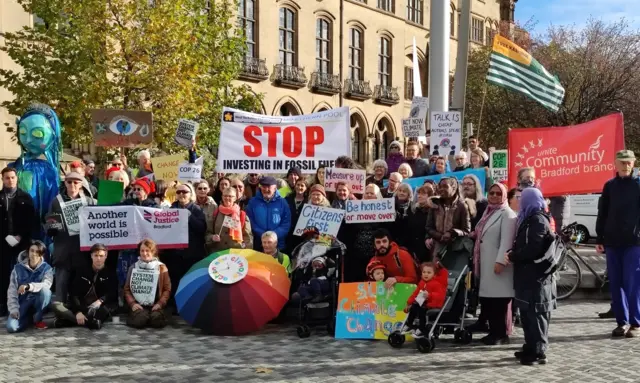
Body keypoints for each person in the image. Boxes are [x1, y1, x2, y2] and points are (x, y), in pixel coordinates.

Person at [595, 150, 640, 338]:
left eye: (629, 162)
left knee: (633, 283)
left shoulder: (638, 185)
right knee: (616, 283)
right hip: (613, 241)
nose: (625, 165)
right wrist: (599, 237)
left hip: (633, 242)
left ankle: (636, 323)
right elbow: (603, 212)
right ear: (615, 163)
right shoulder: (609, 186)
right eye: (622, 162)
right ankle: (621, 322)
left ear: (634, 162)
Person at [508, 187, 555, 365]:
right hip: (528, 275)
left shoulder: (537, 220)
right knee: (527, 312)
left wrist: (513, 255)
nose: (519, 201)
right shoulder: (529, 218)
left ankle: (539, 351)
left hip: (536, 276)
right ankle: (530, 346)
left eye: (522, 198)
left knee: (536, 313)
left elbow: (533, 249)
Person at [471, 183, 517, 345]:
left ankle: (500, 334)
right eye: (492, 193)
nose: (495, 196)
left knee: (499, 302)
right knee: (489, 301)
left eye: (499, 193)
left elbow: (507, 241)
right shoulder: (488, 212)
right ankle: (494, 331)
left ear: (504, 195)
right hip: (486, 262)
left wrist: (500, 262)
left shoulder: (507, 214)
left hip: (498, 265)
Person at [48, 172, 96, 304]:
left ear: (81, 184)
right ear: (65, 183)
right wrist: (51, 227)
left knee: (81, 285)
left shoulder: (90, 202)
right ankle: (60, 312)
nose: (73, 185)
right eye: (69, 182)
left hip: (83, 251)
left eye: (76, 182)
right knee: (62, 285)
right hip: (63, 250)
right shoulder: (56, 201)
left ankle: (80, 311)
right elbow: (49, 221)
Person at [51, 243, 117, 330]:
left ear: (106, 256)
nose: (98, 259)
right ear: (91, 256)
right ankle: (89, 322)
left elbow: (112, 294)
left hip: (100, 307)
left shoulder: (110, 273)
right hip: (83, 306)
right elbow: (74, 294)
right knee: (56, 305)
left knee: (110, 308)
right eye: (96, 255)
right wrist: (78, 312)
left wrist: (100, 301)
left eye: (101, 256)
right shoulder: (82, 271)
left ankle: (71, 321)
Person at [163, 183, 206, 309]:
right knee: (175, 281)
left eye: (185, 192)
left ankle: (190, 307)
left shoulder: (196, 209)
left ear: (190, 195)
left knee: (189, 282)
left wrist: (189, 217)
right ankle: (176, 307)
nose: (181, 194)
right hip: (174, 254)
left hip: (191, 254)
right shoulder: (170, 210)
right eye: (179, 192)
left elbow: (202, 228)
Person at [1, 167, 36, 317]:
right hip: (2, 242)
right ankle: (3, 304)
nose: (10, 180)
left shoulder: (25, 198)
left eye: (13, 177)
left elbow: (31, 220)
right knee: (2, 273)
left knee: (22, 273)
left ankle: (23, 303)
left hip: (21, 241)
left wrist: (20, 236)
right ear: (2, 179)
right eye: (7, 178)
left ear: (17, 178)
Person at [6, 240, 52, 332]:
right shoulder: (17, 268)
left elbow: (47, 284)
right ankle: (27, 319)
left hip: (37, 301)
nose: (34, 254)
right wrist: (14, 309)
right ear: (28, 252)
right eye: (32, 250)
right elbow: (12, 291)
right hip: (22, 303)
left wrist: (28, 286)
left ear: (41, 255)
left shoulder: (47, 268)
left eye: (37, 252)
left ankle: (37, 319)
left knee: (46, 292)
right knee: (12, 328)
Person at [124, 239, 171, 329]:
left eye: (147, 251)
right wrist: (132, 303)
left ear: (153, 252)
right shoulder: (133, 267)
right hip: (139, 305)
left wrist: (160, 303)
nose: (144, 253)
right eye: (142, 251)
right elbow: (126, 289)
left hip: (156, 304)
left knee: (156, 320)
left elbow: (167, 289)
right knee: (140, 320)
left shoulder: (161, 267)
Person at [344, 184, 385, 282]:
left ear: (377, 196)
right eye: (367, 193)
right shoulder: (355, 208)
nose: (369, 195)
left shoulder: (384, 210)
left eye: (372, 193)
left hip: (376, 253)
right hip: (357, 253)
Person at [425, 177, 471, 255]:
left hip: (456, 248)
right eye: (440, 187)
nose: (441, 189)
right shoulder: (434, 204)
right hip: (438, 247)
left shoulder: (462, 206)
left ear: (454, 188)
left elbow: (466, 230)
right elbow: (428, 227)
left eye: (445, 186)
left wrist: (452, 233)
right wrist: (439, 236)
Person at [401, 262, 447, 337]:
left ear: (434, 274)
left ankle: (422, 328)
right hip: (423, 302)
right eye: (424, 272)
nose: (426, 274)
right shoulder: (421, 283)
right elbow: (415, 294)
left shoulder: (436, 284)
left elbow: (440, 296)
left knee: (421, 309)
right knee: (414, 306)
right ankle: (410, 324)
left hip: (433, 303)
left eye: (429, 272)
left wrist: (429, 295)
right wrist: (409, 302)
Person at [246, 176, 291, 252]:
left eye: (268, 187)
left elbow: (286, 223)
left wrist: (273, 236)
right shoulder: (253, 202)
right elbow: (250, 221)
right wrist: (263, 235)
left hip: (278, 244)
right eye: (263, 186)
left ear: (275, 188)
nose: (266, 189)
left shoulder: (283, 202)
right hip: (259, 244)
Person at [207, 187, 253, 253]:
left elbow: (248, 237)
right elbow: (208, 233)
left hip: (236, 253)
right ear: (222, 197)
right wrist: (212, 238)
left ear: (235, 198)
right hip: (218, 253)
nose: (227, 198)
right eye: (225, 195)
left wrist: (246, 251)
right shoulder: (215, 214)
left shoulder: (241, 215)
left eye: (230, 196)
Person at [408, 184, 435, 262]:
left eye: (423, 194)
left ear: (429, 196)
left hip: (428, 248)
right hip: (415, 249)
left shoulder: (434, 211)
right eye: (419, 194)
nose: (419, 196)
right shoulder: (415, 210)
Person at [391, 183, 413, 249]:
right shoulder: (390, 205)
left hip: (408, 243)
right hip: (392, 241)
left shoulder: (412, 207)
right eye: (400, 191)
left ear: (409, 194)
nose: (401, 193)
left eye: (404, 191)